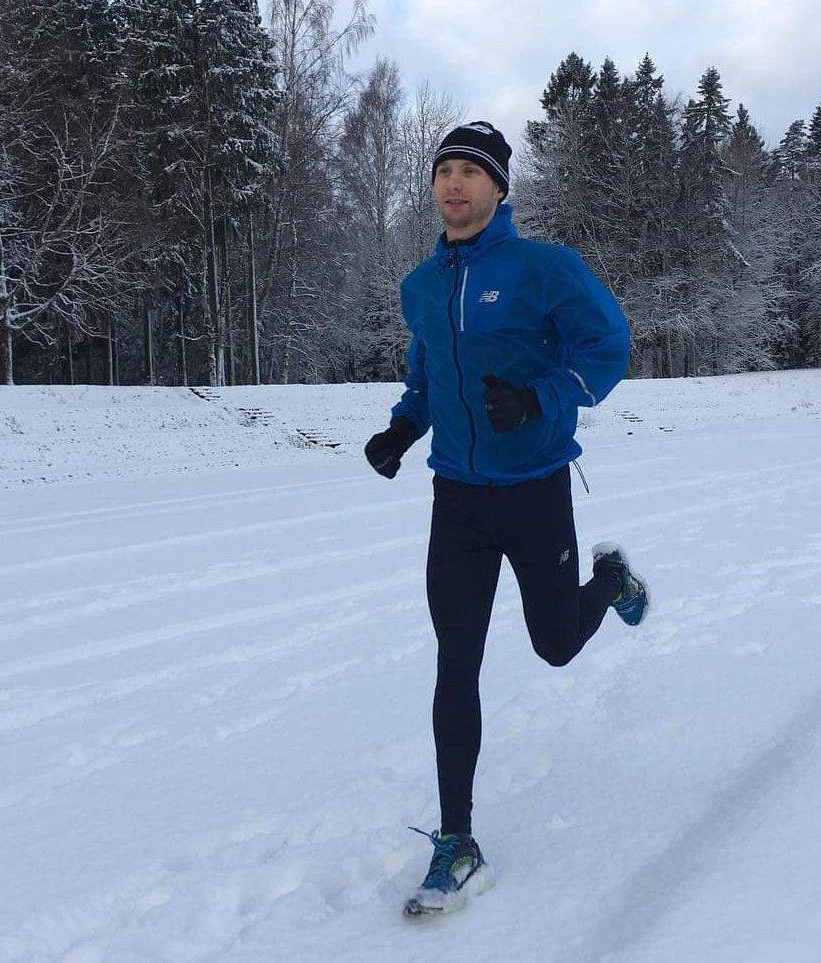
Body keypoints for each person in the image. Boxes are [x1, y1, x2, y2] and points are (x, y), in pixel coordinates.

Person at [364, 121, 650, 917]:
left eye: (470, 172)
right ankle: (457, 839)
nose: (453, 184)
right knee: (455, 661)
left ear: (498, 187)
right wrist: (400, 428)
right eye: (443, 170)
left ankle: (610, 579)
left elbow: (607, 347)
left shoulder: (544, 268)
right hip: (455, 498)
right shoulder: (421, 285)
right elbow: (426, 377)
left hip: (532, 488)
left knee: (555, 644)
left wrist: (541, 398)